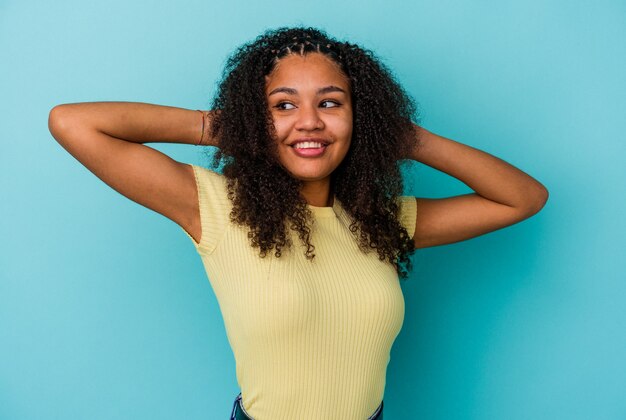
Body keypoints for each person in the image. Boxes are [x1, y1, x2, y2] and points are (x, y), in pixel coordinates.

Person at [48, 26, 548, 420]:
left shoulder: (383, 221)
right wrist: (221, 126)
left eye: (330, 103)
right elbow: (73, 122)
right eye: (283, 106)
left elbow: (522, 198)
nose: (309, 121)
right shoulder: (216, 207)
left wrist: (406, 136)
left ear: (359, 118)